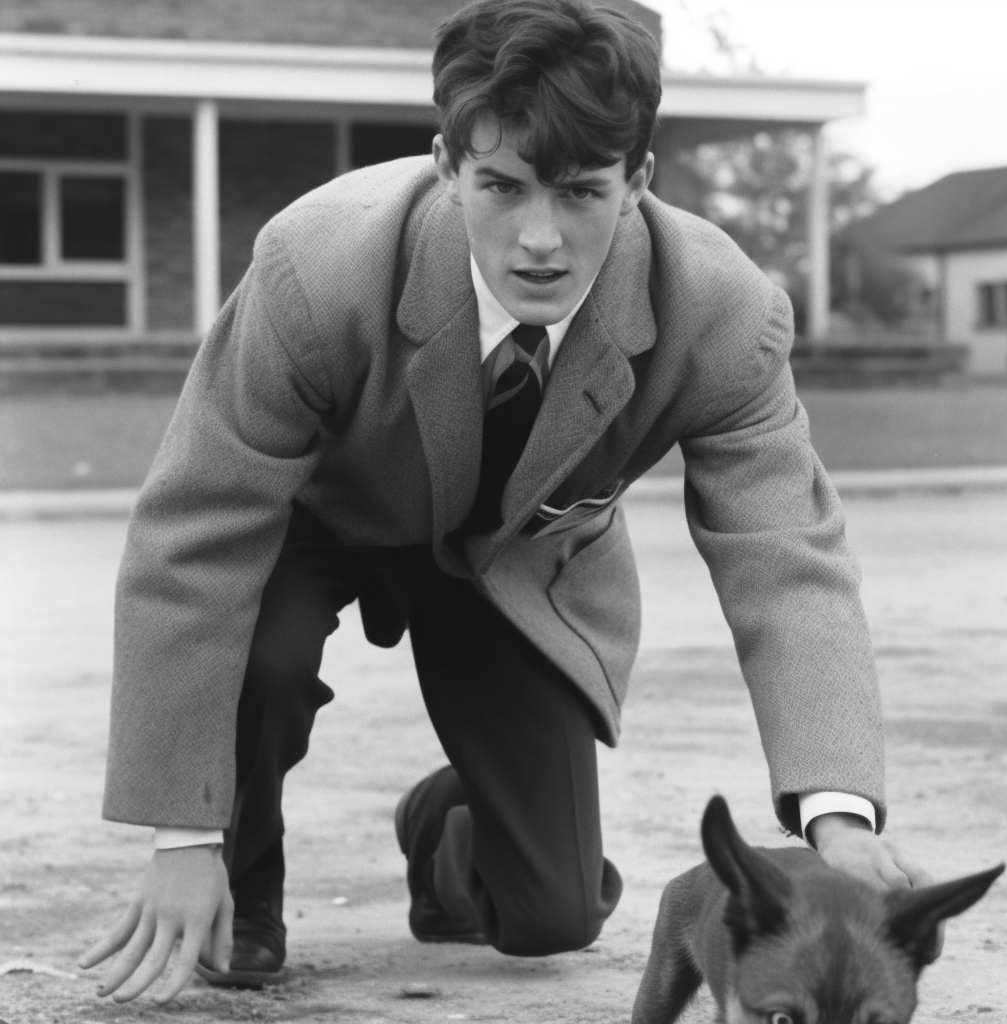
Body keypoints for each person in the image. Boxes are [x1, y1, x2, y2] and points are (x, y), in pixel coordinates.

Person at [80, 0, 933, 1005]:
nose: (539, 237)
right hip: (316, 526)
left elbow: (786, 557)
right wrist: (182, 831)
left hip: (512, 560)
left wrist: (840, 813)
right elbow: (193, 540)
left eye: (581, 192)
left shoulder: (722, 311)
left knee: (554, 918)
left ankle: (443, 822)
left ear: (638, 182)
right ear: (447, 165)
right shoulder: (311, 268)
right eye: (501, 185)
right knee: (259, 657)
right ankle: (244, 878)